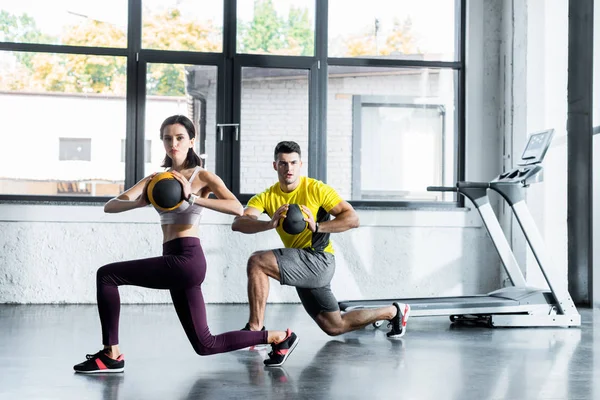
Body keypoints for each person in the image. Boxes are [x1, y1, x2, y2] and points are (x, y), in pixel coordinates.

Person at [73, 115, 298, 374]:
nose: (174, 144)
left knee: (107, 275)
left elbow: (237, 207)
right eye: (168, 138)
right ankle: (280, 337)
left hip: (188, 258)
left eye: (180, 138)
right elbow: (110, 206)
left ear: (191, 141)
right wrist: (139, 201)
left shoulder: (201, 177)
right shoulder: (155, 179)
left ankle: (111, 354)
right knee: (205, 344)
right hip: (174, 259)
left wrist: (193, 198)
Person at [231, 141, 410, 339]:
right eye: (283, 163)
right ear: (275, 165)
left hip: (319, 259)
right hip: (301, 262)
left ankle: (255, 330)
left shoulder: (317, 189)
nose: (288, 168)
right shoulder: (267, 196)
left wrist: (318, 227)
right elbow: (239, 223)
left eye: (293, 163)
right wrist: (269, 224)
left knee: (257, 262)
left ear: (301, 164)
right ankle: (394, 312)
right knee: (334, 326)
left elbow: (353, 219)